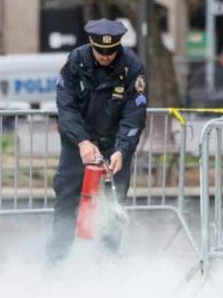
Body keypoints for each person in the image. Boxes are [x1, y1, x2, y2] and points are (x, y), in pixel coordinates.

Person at [47, 18, 148, 265]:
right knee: (67, 198)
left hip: (115, 145)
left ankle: (107, 262)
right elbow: (66, 106)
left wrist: (122, 150)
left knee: (113, 202)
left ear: (118, 47)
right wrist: (82, 141)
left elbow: (134, 115)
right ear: (91, 45)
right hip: (78, 145)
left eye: (111, 51)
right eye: (100, 51)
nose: (105, 56)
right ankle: (55, 263)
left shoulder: (132, 67)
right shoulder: (76, 61)